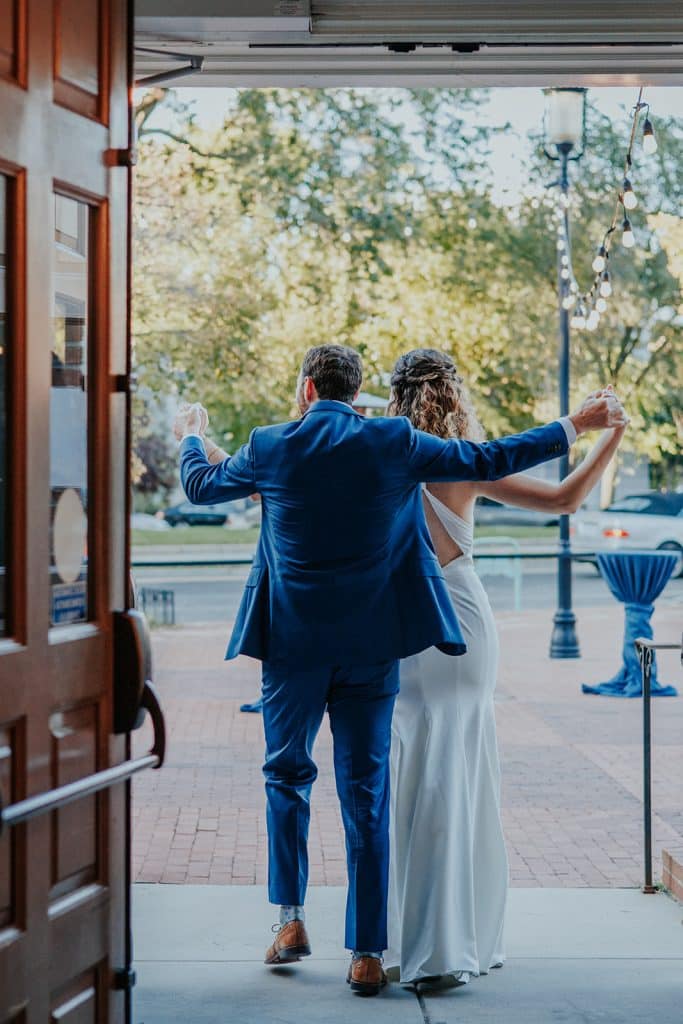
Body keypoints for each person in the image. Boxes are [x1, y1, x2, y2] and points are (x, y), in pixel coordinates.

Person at [173, 344, 627, 996]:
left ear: (307, 390)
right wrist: (575, 427)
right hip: (383, 644)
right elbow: (493, 458)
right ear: (354, 394)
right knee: (371, 794)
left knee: (288, 776)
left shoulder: (272, 445)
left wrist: (192, 437)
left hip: (296, 647)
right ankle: (368, 951)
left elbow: (205, 483)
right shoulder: (394, 445)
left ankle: (290, 919)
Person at [385, 349, 627, 986]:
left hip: (403, 630)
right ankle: (453, 940)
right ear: (454, 397)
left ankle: (408, 939)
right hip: (462, 620)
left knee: (412, 775)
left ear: (397, 400)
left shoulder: (380, 459)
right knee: (459, 773)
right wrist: (610, 437)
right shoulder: (467, 462)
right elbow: (565, 498)